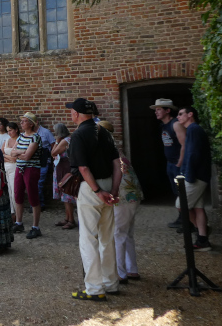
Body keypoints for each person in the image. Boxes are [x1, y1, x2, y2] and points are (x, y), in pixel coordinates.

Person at [66, 98, 122, 301]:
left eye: (72, 111)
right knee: (107, 238)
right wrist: (113, 189)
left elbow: (82, 168)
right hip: (108, 184)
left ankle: (94, 288)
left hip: (91, 188)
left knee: (88, 239)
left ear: (77, 114)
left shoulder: (79, 135)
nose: (70, 114)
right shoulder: (105, 132)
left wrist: (97, 190)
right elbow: (117, 164)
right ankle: (111, 283)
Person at [97, 121, 143, 282]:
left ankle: (120, 273)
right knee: (127, 233)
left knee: (118, 234)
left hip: (123, 196)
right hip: (133, 196)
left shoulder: (107, 148)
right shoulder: (115, 147)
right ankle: (132, 269)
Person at [176, 106, 212, 251]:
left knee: (181, 205)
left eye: (180, 114)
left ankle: (201, 233)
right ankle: (203, 239)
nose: (178, 117)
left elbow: (193, 154)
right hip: (199, 175)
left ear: (190, 115)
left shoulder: (193, 129)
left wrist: (187, 176)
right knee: (198, 208)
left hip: (195, 177)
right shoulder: (194, 130)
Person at [150, 98, 186, 228]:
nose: (156, 112)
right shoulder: (163, 126)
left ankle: (187, 221)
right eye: (156, 110)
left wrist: (180, 162)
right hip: (170, 163)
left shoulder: (175, 124)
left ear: (168, 110)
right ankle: (182, 218)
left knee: (182, 193)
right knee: (176, 193)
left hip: (177, 164)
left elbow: (184, 144)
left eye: (159, 109)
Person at [12, 113, 43, 239]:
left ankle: (36, 227)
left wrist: (19, 153)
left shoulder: (35, 138)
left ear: (31, 123)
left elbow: (27, 156)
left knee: (32, 196)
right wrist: (21, 151)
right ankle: (19, 222)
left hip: (31, 168)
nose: (22, 123)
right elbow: (11, 152)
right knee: (17, 194)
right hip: (20, 168)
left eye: (24, 121)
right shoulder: (20, 137)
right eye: (22, 121)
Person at [51, 123, 76, 230]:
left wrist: (57, 141)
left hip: (65, 169)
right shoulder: (66, 139)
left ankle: (71, 220)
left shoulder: (65, 140)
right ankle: (67, 218)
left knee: (67, 195)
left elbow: (53, 152)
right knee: (64, 195)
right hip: (61, 168)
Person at [2, 122, 21, 229]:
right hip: (6, 167)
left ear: (16, 130)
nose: (9, 132)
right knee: (8, 192)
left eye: (11, 130)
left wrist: (7, 156)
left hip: (15, 167)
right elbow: (0, 154)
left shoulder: (19, 140)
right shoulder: (6, 141)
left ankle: (18, 217)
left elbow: (16, 158)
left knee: (15, 192)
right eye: (8, 130)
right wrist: (8, 157)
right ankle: (12, 213)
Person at [35, 116, 56, 209]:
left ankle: (39, 204)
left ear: (36, 122)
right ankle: (37, 203)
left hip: (43, 160)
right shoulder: (27, 133)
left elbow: (53, 145)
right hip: (32, 160)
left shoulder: (45, 132)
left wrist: (54, 158)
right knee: (34, 183)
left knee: (40, 182)